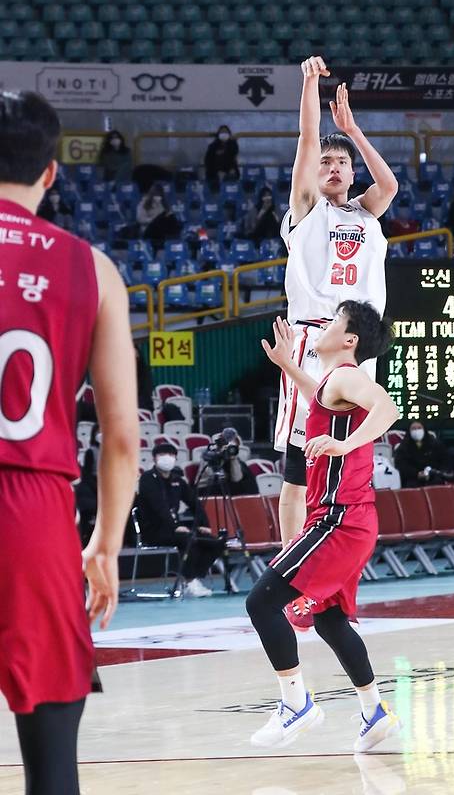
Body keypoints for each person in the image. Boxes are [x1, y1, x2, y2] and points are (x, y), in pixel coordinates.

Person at [0, 90, 138, 795]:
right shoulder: (94, 269)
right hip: (35, 515)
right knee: (52, 768)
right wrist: (104, 545)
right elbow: (120, 436)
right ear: (52, 172)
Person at [249, 301, 401, 750]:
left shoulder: (350, 376)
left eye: (334, 321)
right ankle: (374, 711)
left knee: (261, 603)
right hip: (352, 518)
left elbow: (387, 410)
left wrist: (344, 443)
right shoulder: (335, 382)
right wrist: (286, 367)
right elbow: (321, 394)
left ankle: (296, 704)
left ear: (349, 340)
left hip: (338, 519)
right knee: (330, 621)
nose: (325, 325)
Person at [275, 57, 398, 572]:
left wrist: (352, 130)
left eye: (340, 162)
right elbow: (307, 139)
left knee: (346, 459)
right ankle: (287, 564)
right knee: (299, 468)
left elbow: (388, 184)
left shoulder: (366, 212)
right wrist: (308, 86)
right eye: (326, 161)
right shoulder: (307, 209)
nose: (332, 167)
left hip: (358, 345)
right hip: (315, 341)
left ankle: (331, 555)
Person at [137, 441, 225, 597]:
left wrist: (204, 524)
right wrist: (174, 526)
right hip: (154, 530)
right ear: (155, 458)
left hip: (175, 528)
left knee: (215, 541)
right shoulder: (147, 479)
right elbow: (159, 508)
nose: (167, 458)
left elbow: (194, 503)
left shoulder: (177, 480)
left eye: (171, 455)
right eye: (163, 455)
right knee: (188, 539)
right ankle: (190, 581)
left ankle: (195, 577)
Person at [195, 427, 259, 496]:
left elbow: (236, 478)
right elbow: (212, 477)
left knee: (248, 482)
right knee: (240, 487)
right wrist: (220, 455)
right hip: (206, 488)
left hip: (224, 486)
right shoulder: (209, 454)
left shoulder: (230, 456)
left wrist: (233, 459)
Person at [394, 420, 454, 487]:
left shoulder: (436, 444)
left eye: (419, 428)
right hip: (412, 479)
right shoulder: (403, 447)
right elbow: (401, 466)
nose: (417, 431)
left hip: (434, 477)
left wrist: (436, 472)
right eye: (413, 429)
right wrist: (416, 474)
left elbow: (445, 461)